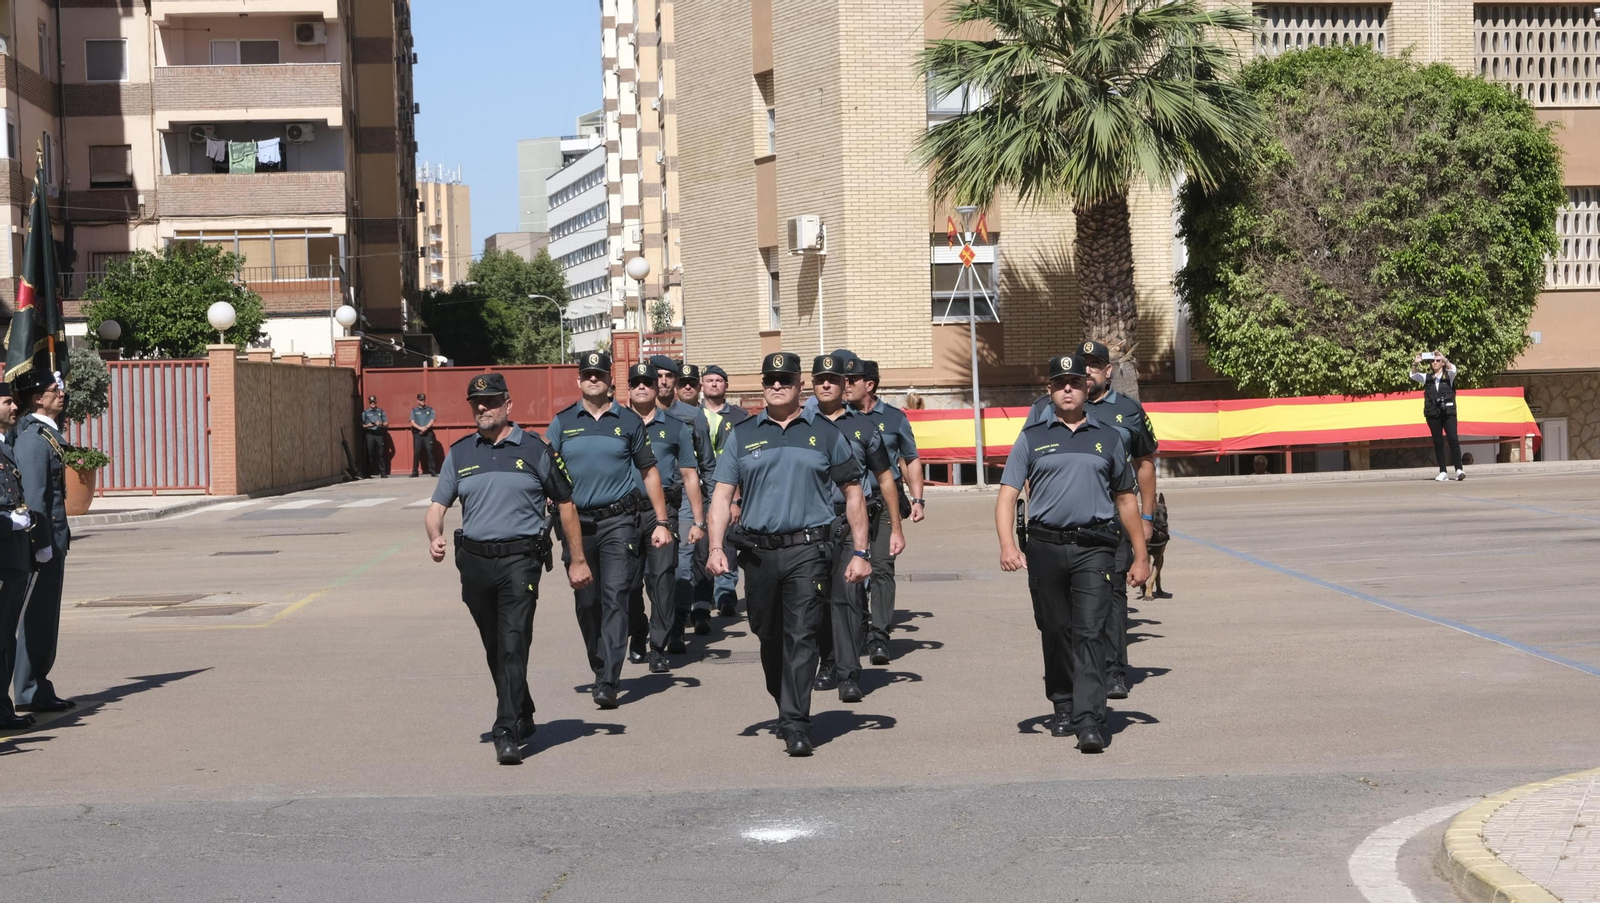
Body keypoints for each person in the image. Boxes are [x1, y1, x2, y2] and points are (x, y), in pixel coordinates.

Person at [706, 352, 870, 757]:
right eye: (769, 380)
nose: (776, 386)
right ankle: (784, 704)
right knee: (768, 634)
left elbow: (853, 494)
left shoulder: (826, 434)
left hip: (809, 551)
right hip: (759, 554)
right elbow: (722, 496)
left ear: (800, 386)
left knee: (802, 636)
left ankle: (798, 723)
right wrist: (714, 547)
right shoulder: (742, 434)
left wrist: (861, 551)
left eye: (784, 380)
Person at [424, 373, 592, 765]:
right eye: (476, 403)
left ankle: (506, 728)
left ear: (507, 405)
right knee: (496, 646)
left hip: (521, 561)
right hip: (476, 563)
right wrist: (434, 535)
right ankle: (524, 707)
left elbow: (566, 505)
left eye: (491, 401)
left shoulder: (535, 449)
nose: (483, 408)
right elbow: (437, 506)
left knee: (514, 641)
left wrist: (577, 559)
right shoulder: (460, 453)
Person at [996, 354, 1150, 753]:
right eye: (1060, 383)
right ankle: (1062, 704)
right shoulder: (1031, 437)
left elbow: (1126, 499)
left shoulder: (1109, 437)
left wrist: (1140, 554)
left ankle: (1089, 719)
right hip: (1045, 547)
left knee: (1089, 632)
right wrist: (1008, 545)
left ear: (1087, 388)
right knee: (1055, 631)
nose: (1068, 388)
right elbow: (1007, 496)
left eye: (1075, 382)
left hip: (1095, 548)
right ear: (1049, 390)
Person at [1023, 340, 1158, 702]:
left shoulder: (1128, 411)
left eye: (1097, 365)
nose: (1091, 371)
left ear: (1107, 371)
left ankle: (1113, 669)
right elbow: (1026, 460)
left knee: (1112, 594)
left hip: (1113, 520)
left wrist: (1146, 516)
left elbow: (1144, 463)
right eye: (1086, 366)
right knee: (1059, 613)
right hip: (1055, 528)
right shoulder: (1044, 409)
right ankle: (1071, 676)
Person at [547, 351, 674, 709]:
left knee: (616, 596)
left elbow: (650, 473)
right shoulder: (562, 423)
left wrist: (662, 522)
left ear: (609, 380)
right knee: (587, 602)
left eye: (599, 374)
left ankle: (608, 679)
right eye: (587, 374)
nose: (593, 379)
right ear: (579, 380)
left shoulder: (629, 422)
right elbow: (546, 474)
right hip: (576, 525)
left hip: (619, 522)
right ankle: (599, 663)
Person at [809, 352, 903, 703]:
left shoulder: (863, 427)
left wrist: (895, 528)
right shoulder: (801, 425)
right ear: (813, 384)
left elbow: (885, 478)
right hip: (812, 526)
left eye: (834, 379)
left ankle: (849, 673)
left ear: (845, 384)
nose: (828, 384)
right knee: (817, 601)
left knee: (847, 599)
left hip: (851, 523)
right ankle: (828, 662)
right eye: (821, 379)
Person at [623, 362, 704, 673]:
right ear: (628, 389)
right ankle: (638, 629)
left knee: (662, 581)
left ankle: (658, 646)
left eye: (648, 382)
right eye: (637, 382)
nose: (643, 387)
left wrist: (698, 521)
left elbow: (689, 475)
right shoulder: (618, 425)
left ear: (657, 389)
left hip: (663, 514)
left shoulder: (675, 427)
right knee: (627, 583)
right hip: (625, 515)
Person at [849, 358, 925, 665]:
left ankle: (879, 636)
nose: (845, 385)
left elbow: (910, 458)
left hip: (884, 501)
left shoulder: (894, 419)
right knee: (851, 570)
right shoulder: (839, 418)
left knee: (881, 568)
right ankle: (858, 628)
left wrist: (918, 500)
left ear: (869, 384)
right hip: (849, 503)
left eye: (852, 380)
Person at [11, 368, 73, 713]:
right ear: (37, 398)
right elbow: (35, 497)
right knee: (37, 617)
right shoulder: (35, 440)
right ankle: (29, 688)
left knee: (45, 618)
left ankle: (37, 685)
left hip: (54, 538)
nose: (61, 394)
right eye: (54, 390)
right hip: (43, 542)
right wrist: (40, 542)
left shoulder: (47, 435)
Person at [648, 356, 715, 638]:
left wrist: (714, 505)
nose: (663, 381)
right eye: (658, 375)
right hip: (648, 501)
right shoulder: (637, 414)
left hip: (685, 498)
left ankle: (675, 625)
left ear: (676, 382)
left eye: (669, 376)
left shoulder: (692, 415)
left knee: (683, 560)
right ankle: (661, 617)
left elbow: (708, 464)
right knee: (655, 569)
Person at [0, 382, 39, 729]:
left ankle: (2, 706)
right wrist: (6, 522)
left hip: (14, 557)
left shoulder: (5, 447)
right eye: (8, 401)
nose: (16, 407)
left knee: (5, 635)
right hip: (3, 555)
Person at [700, 365, 750, 617]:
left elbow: (744, 462)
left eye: (719, 380)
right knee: (701, 543)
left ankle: (726, 592)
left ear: (726, 385)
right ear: (702, 384)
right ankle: (703, 594)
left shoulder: (741, 418)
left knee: (727, 541)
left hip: (731, 492)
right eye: (709, 380)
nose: (714, 384)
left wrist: (737, 499)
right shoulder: (693, 416)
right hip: (699, 492)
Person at [1411, 351, 1464, 482]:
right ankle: (1443, 471)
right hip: (1433, 414)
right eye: (1432, 361)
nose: (1434, 362)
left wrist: (1444, 358)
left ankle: (1459, 469)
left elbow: (1453, 369)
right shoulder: (1427, 377)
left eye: (1437, 360)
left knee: (1453, 440)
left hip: (1448, 413)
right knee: (1438, 442)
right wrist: (1415, 363)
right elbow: (1413, 375)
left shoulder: (1449, 375)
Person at [409, 392, 437, 477]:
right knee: (417, 452)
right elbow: (412, 422)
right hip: (417, 434)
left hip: (427, 433)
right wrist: (420, 428)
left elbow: (432, 420)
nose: (422, 401)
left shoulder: (430, 409)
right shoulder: (414, 410)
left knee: (430, 451)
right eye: (421, 400)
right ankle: (415, 471)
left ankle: (433, 471)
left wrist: (425, 428)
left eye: (423, 399)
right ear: (417, 400)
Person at [361, 395, 389, 479]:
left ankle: (383, 473)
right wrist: (367, 425)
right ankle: (368, 473)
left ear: (376, 402)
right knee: (369, 454)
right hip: (369, 434)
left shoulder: (380, 411)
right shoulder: (365, 412)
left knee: (381, 454)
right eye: (370, 402)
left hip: (379, 434)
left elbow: (386, 424)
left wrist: (379, 424)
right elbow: (360, 424)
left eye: (373, 402)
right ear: (369, 403)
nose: (372, 403)